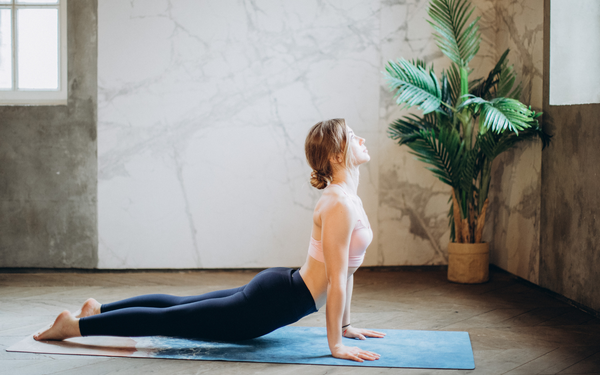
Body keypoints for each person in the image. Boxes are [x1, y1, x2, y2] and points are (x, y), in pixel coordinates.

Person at [34, 118, 385, 363]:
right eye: (353, 136)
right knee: (170, 320)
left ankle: (98, 310)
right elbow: (336, 280)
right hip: (273, 303)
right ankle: (75, 326)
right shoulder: (339, 204)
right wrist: (335, 344)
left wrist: (346, 325)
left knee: (178, 305)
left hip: (282, 289)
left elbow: (347, 273)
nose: (362, 139)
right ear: (338, 155)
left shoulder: (347, 199)